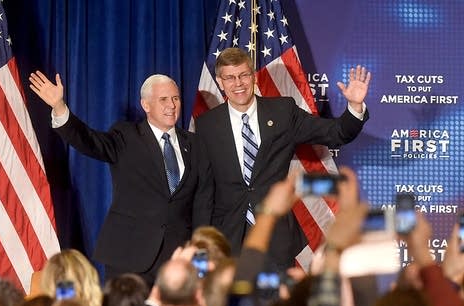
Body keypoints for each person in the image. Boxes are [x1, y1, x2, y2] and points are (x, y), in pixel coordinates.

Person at [195, 47, 371, 270]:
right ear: (220, 82)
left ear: (254, 76)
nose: (238, 83)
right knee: (233, 303)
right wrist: (200, 248)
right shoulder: (207, 125)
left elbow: (335, 133)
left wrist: (354, 106)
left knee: (276, 303)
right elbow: (204, 192)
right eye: (230, 77)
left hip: (275, 235)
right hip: (227, 236)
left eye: (243, 75)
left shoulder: (282, 112)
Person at [29, 71, 210, 284]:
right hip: (130, 257)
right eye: (163, 99)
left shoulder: (195, 144)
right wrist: (59, 107)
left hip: (179, 259)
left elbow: (203, 202)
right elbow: (90, 141)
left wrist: (199, 252)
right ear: (146, 105)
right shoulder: (127, 136)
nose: (171, 105)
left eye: (175, 98)